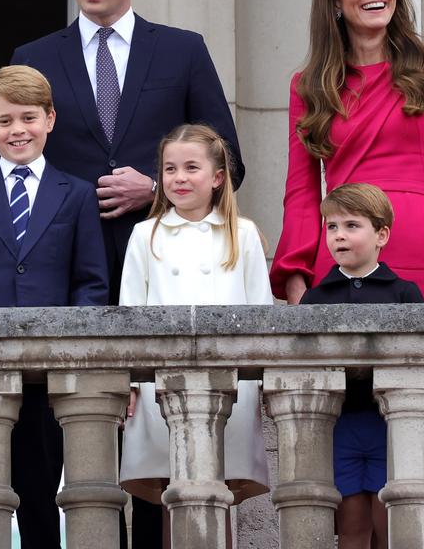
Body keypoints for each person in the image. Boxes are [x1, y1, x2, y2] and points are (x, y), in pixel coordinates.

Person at [10, 0, 244, 545]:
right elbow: (14, 162)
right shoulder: (34, 58)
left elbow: (231, 161)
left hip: (162, 275)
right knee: (48, 447)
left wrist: (159, 188)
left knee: (152, 457)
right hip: (60, 278)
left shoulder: (182, 50)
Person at [269, 0, 424, 523]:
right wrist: (297, 277)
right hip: (337, 262)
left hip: (416, 253)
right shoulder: (308, 85)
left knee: (415, 441)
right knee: (345, 454)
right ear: (335, 2)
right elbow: (301, 191)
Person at [0, 64, 107, 544]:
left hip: (51, 375)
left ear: (50, 119)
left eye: (28, 117)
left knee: (43, 491)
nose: (17, 130)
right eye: (5, 120)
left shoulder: (77, 194)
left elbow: (90, 284)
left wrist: (72, 351)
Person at [118, 124, 271, 542]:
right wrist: (131, 382)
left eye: (191, 167)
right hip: (159, 388)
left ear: (217, 177)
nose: (179, 178)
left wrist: (262, 382)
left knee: (217, 488)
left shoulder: (243, 235)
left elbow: (261, 312)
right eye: (170, 169)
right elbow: (130, 315)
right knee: (172, 489)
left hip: (231, 385)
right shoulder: (144, 235)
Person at [299, 183, 423, 549]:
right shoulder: (315, 297)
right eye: (332, 227)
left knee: (391, 525)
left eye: (351, 225)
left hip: (390, 425)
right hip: (340, 426)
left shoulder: (404, 293)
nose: (339, 235)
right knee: (351, 525)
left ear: (381, 234)